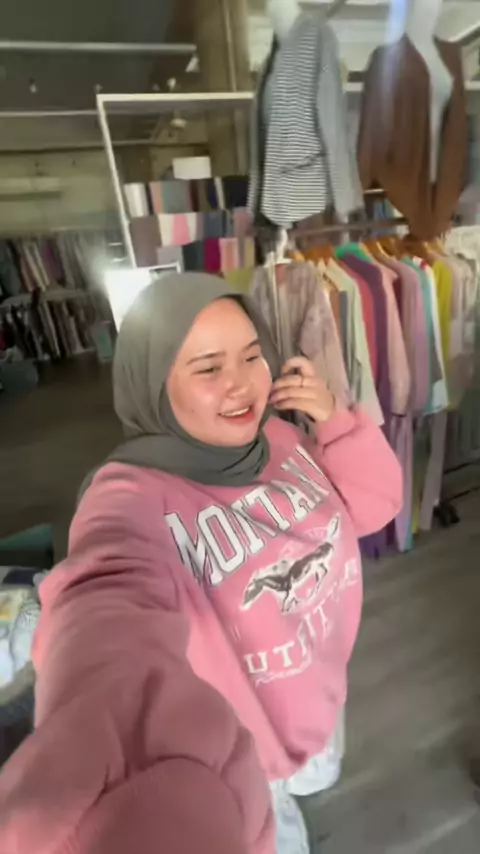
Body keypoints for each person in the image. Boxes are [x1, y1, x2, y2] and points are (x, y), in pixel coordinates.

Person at [0, 273, 403, 854]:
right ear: (154, 383)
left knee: (316, 773)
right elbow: (106, 592)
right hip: (242, 746)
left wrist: (336, 421)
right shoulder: (130, 494)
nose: (242, 384)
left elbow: (374, 506)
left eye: (252, 356)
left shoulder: (280, 437)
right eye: (209, 367)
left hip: (322, 690)